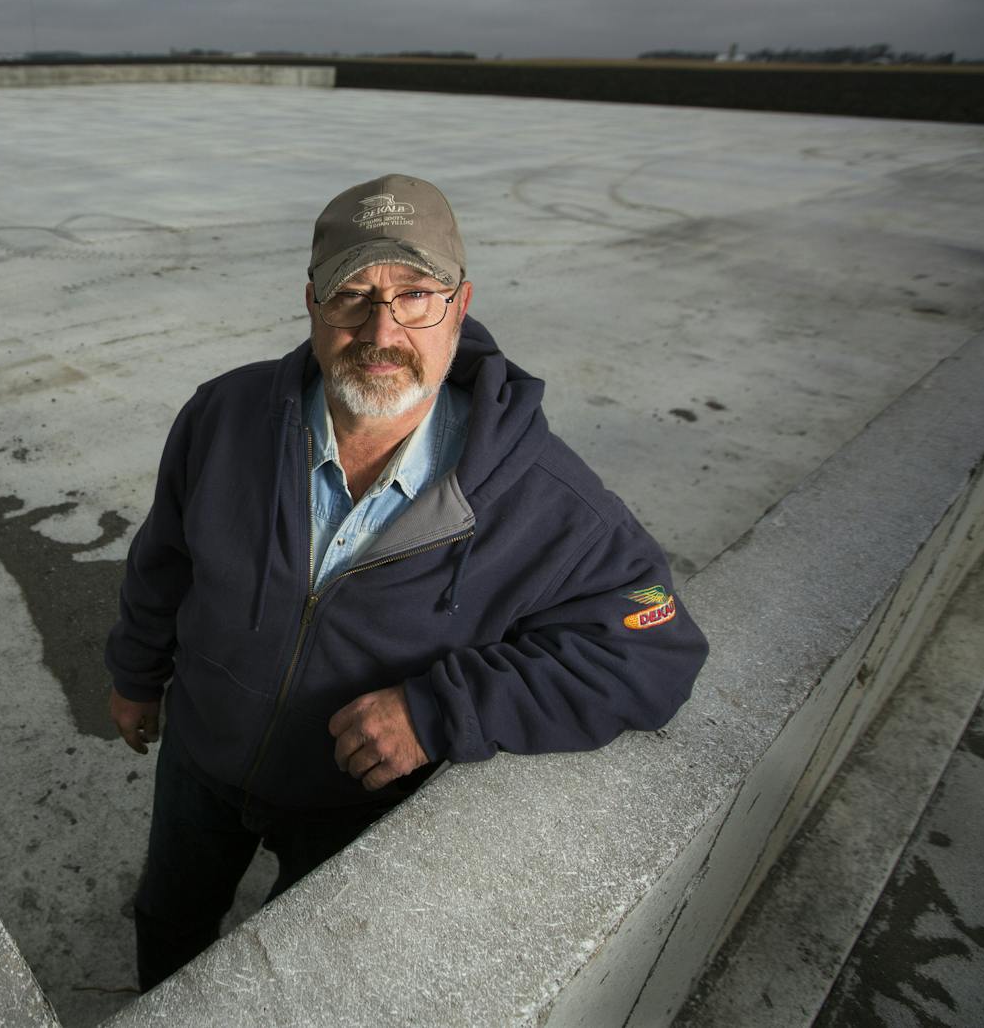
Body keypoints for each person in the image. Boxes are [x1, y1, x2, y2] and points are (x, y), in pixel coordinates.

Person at [105, 173, 707, 990]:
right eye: (352, 296)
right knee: (170, 918)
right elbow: (164, 557)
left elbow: (654, 652)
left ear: (460, 305)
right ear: (312, 304)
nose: (380, 330)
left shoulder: (541, 497)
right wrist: (137, 673)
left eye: (415, 296)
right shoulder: (225, 414)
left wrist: (440, 709)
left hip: (354, 805)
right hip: (200, 760)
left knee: (299, 974)